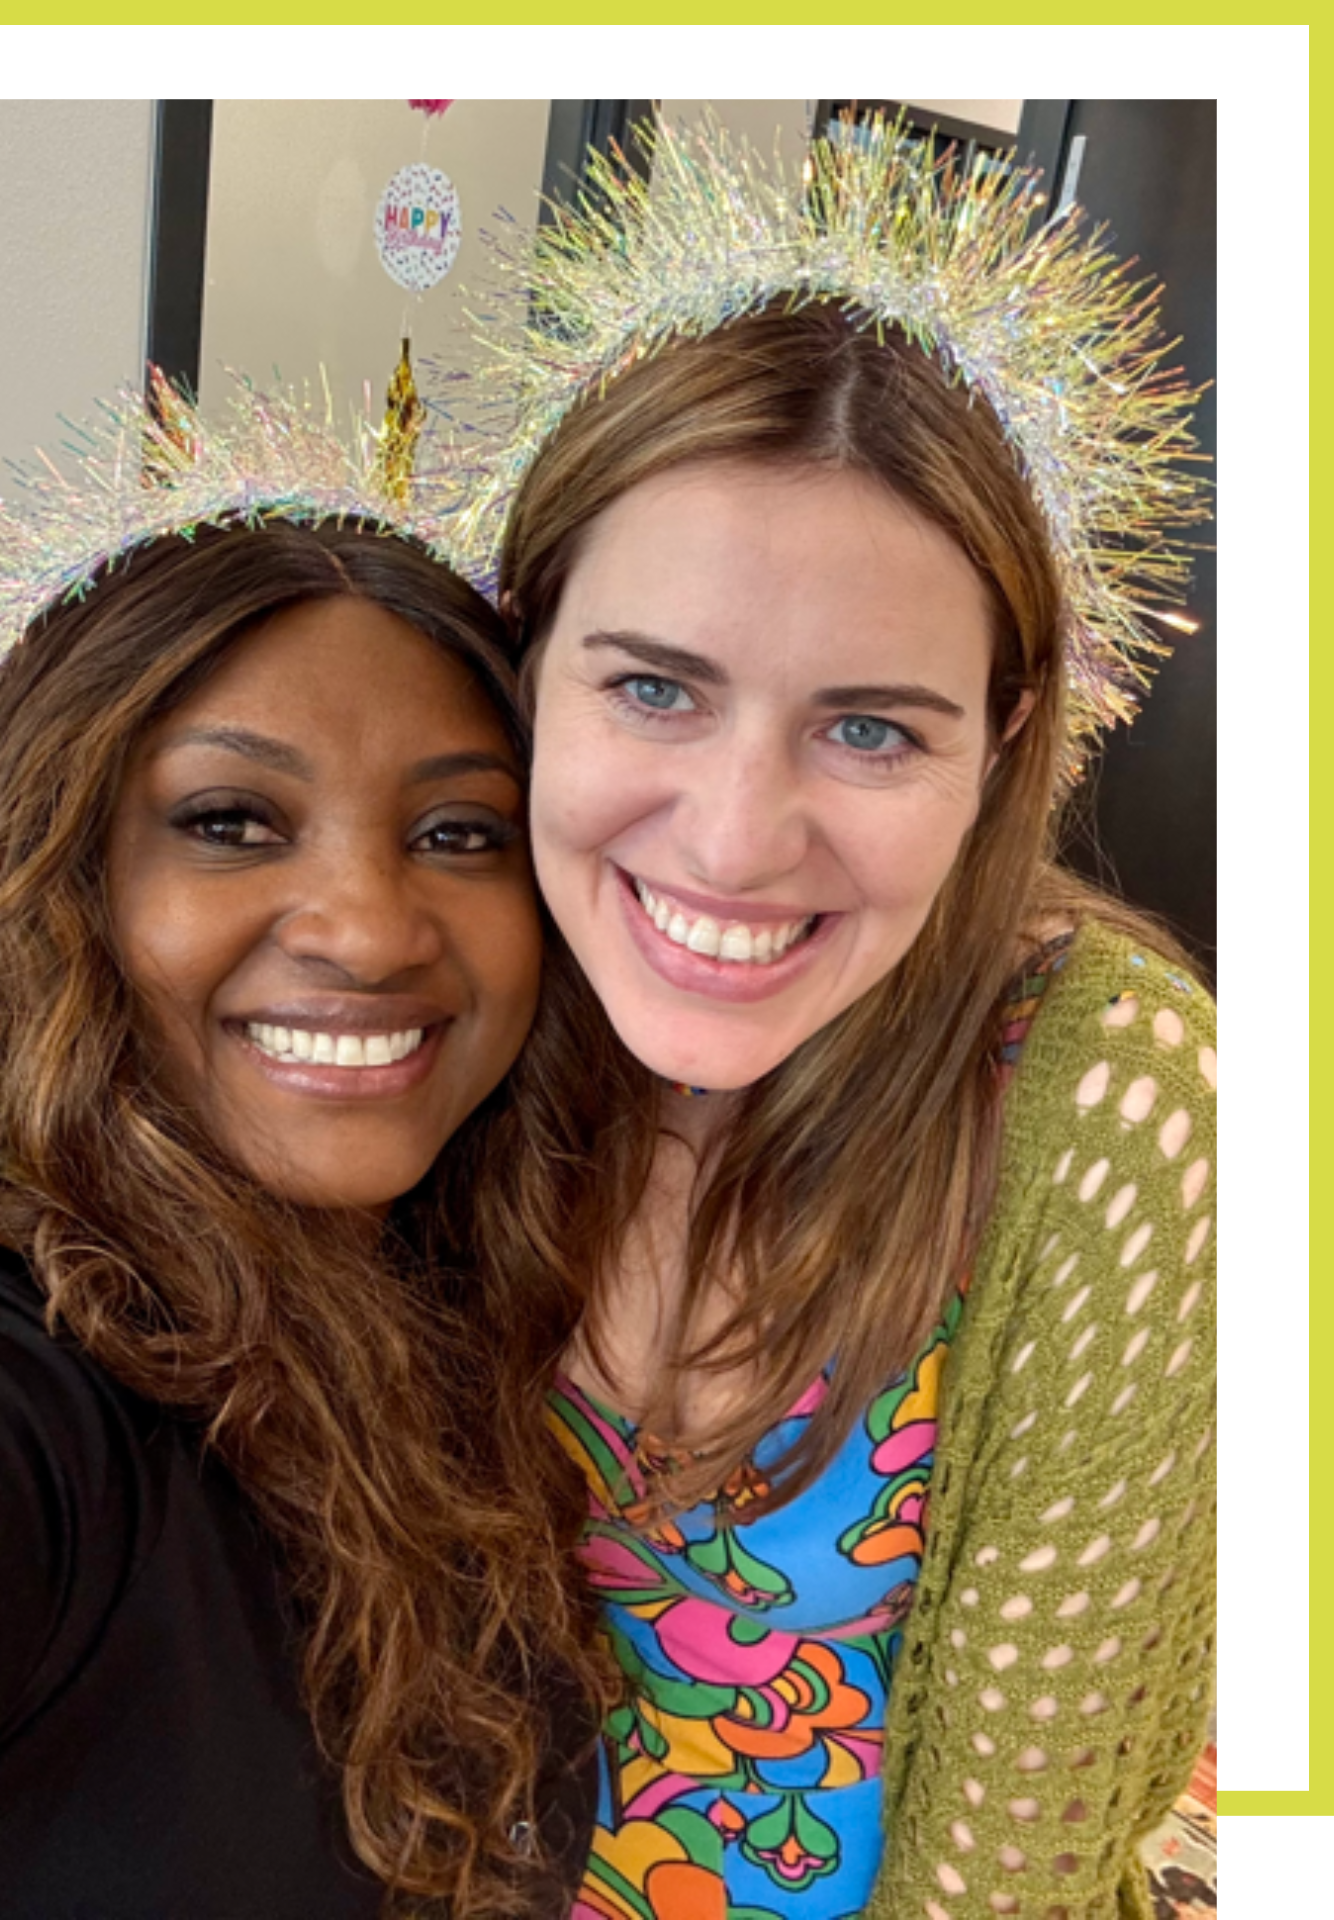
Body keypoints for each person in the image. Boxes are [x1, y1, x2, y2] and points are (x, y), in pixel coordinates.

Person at [451, 117, 1217, 1918]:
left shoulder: (1105, 1106)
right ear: (526, 663)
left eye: (871, 727)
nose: (734, 839)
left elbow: (1015, 1867)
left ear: (1005, 743)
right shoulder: (426, 1001)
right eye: (654, 687)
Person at [0, 389, 604, 1919]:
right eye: (233, 820)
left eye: (461, 834)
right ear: (54, 877)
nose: (374, 928)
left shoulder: (467, 1296)